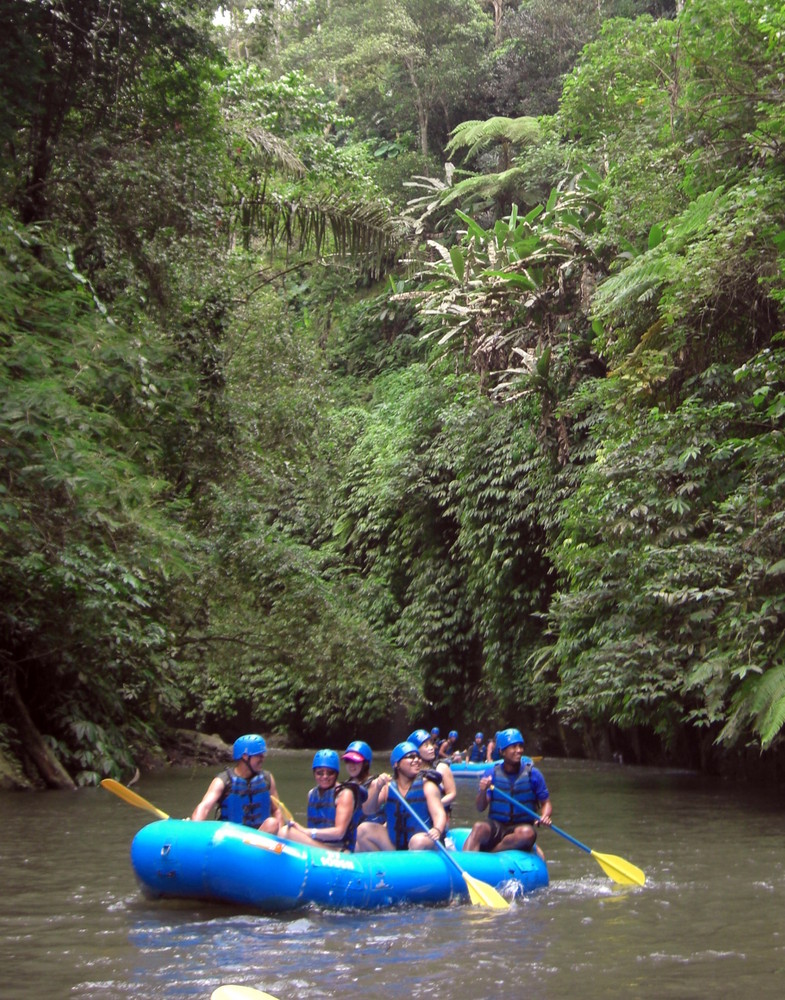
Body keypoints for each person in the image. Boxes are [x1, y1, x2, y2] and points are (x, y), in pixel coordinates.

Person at [463, 727, 551, 855]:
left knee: (528, 833)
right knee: (478, 827)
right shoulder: (491, 773)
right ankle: (465, 864)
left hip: (521, 828)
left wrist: (545, 816)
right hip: (497, 825)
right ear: (502, 751)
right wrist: (482, 791)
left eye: (520, 746)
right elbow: (480, 807)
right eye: (513, 747)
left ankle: (492, 853)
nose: (519, 750)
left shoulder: (533, 774)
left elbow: (546, 803)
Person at [355, 741, 447, 852]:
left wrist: (437, 829)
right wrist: (377, 787)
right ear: (396, 764)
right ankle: (386, 866)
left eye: (418, 757)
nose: (417, 760)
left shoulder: (427, 785)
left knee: (416, 841)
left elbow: (439, 813)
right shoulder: (387, 787)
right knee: (363, 829)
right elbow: (368, 810)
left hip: (423, 841)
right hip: (395, 845)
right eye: (410, 757)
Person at [191, 733, 282, 833]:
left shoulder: (267, 778)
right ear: (245, 757)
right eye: (259, 756)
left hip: (261, 836)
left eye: (263, 755)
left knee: (272, 823)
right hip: (232, 837)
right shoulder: (223, 781)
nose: (262, 759)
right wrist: (195, 830)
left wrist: (281, 834)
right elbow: (204, 807)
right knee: (271, 823)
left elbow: (277, 810)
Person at [283, 749, 369, 851]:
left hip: (339, 850)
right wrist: (300, 829)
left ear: (336, 774)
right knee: (286, 830)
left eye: (330, 773)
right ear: (314, 773)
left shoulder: (344, 794)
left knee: (285, 833)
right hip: (317, 845)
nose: (325, 777)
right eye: (320, 773)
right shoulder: (311, 794)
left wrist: (307, 832)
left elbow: (339, 833)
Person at [407, 728, 457, 813]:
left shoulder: (442, 767)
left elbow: (452, 794)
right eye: (426, 745)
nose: (431, 748)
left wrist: (433, 805)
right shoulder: (410, 772)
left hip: (438, 814)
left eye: (431, 744)